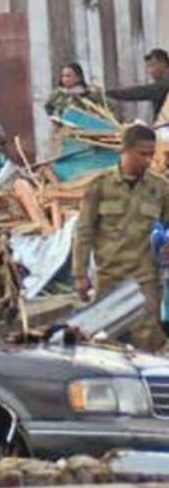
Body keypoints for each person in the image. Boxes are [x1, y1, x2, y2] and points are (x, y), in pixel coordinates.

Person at [73, 124, 168, 351]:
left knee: (147, 346)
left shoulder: (159, 189)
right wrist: (80, 275)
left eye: (151, 154)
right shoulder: (101, 186)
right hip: (109, 279)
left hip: (145, 281)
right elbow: (84, 231)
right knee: (106, 344)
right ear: (125, 150)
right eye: (142, 154)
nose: (147, 160)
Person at [106, 48, 169, 124]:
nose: (150, 71)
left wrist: (107, 93)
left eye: (153, 66)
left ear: (163, 64)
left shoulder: (163, 85)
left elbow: (138, 92)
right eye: (149, 67)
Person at [44, 62, 109, 118]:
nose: (65, 79)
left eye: (68, 76)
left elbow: (104, 109)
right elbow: (48, 107)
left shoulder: (89, 94)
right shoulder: (57, 94)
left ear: (78, 78)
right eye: (63, 76)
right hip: (62, 130)